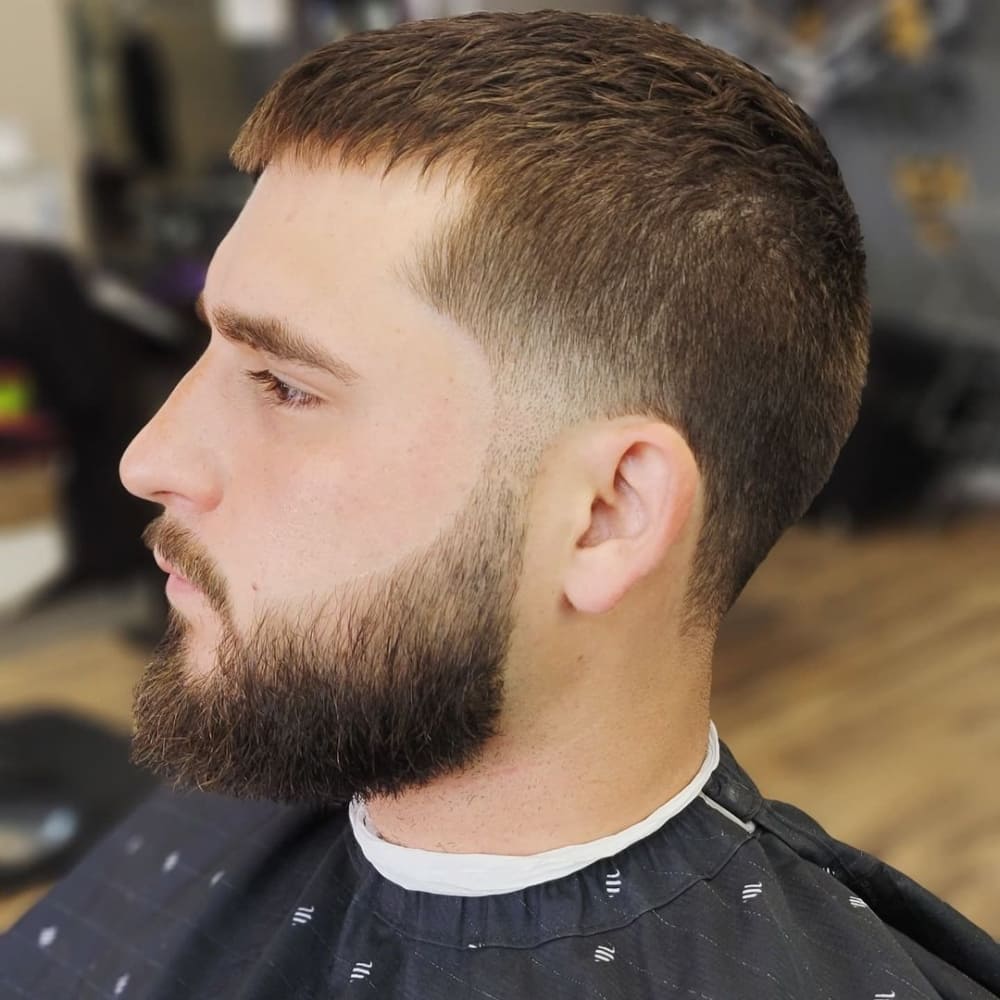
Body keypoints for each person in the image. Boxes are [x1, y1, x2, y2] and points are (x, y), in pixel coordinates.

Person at [2, 11, 997, 999]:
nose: (147, 458)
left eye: (283, 385)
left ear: (605, 513)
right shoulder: (246, 781)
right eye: (208, 349)